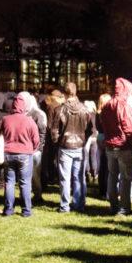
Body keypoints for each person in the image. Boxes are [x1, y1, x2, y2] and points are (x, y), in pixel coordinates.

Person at [100, 78, 132, 216]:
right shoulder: (123, 105)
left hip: (111, 146)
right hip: (124, 147)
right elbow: (129, 127)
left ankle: (113, 205)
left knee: (112, 176)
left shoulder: (107, 105)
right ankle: (124, 208)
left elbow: (104, 126)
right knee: (126, 178)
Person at [51, 82, 93, 213]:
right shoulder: (85, 109)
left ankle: (64, 206)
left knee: (65, 178)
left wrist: (57, 142)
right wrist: (83, 140)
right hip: (78, 146)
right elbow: (91, 129)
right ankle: (79, 204)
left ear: (64, 93)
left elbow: (54, 131)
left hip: (65, 146)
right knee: (79, 177)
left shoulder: (60, 109)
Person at [0, 94, 40, 217]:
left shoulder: (6, 119)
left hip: (8, 153)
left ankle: (8, 209)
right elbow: (36, 139)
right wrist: (32, 149)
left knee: (9, 182)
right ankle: (26, 210)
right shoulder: (29, 120)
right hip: (25, 154)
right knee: (25, 182)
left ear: (13, 106)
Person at [19, 92, 48, 204]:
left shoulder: (38, 114)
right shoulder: (25, 114)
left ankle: (37, 195)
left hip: (34, 150)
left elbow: (42, 133)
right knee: (25, 174)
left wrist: (38, 148)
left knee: (34, 175)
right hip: (26, 149)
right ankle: (25, 195)